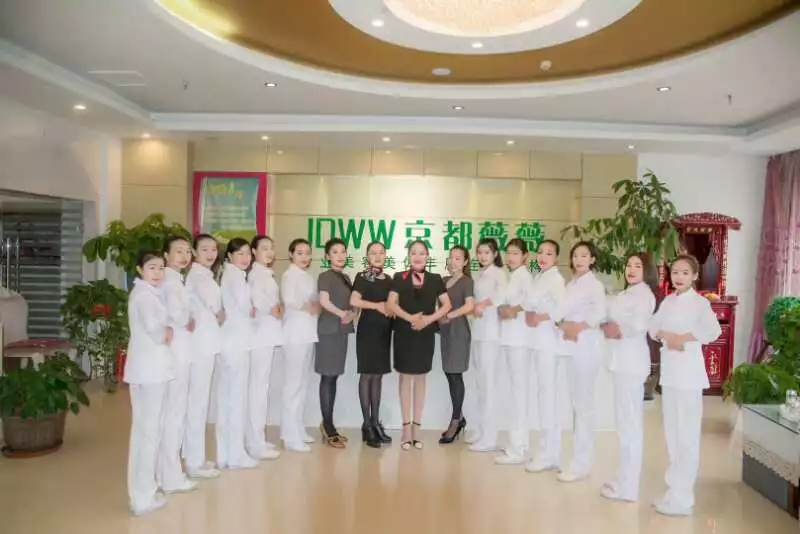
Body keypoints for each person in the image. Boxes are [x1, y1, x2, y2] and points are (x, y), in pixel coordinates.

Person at [648, 254, 721, 516]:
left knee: (687, 435)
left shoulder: (700, 304)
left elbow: (713, 331)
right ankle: (674, 490)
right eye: (675, 272)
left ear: (694, 276)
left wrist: (682, 338)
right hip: (670, 374)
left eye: (684, 273)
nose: (678, 277)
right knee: (672, 432)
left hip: (689, 375)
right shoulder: (668, 300)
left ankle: (684, 497)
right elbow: (652, 327)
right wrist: (665, 335)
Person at [600, 252, 657, 502]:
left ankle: (629, 487)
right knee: (624, 424)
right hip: (621, 362)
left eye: (637, 266)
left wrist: (617, 330)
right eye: (629, 265)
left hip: (631, 364)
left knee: (630, 426)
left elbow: (638, 325)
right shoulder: (628, 293)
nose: (631, 269)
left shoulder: (644, 295)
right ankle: (623, 478)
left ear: (647, 270)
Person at [388, 240, 452, 450]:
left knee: (421, 377)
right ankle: (406, 428)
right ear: (408, 256)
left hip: (425, 334)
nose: (417, 256)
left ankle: (417, 427)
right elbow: (391, 304)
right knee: (405, 377)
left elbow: (447, 305)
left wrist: (428, 319)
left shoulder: (435, 279)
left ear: (427, 256)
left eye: (422, 253)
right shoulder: (399, 277)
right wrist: (411, 318)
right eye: (413, 252)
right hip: (404, 333)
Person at [125, 250, 174, 516]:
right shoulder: (145, 297)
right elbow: (158, 333)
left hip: (148, 371)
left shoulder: (146, 294)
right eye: (152, 267)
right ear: (139, 269)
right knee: (149, 433)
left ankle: (143, 492)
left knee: (145, 431)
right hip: (150, 372)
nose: (157, 272)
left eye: (161, 268)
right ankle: (143, 496)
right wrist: (168, 331)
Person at [556, 241, 607, 482]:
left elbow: (600, 313)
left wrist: (578, 327)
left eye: (584, 256)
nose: (579, 260)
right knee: (577, 404)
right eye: (575, 255)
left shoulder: (594, 285)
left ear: (592, 259)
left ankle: (581, 464)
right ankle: (577, 460)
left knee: (584, 405)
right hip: (570, 345)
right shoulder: (571, 284)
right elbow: (561, 312)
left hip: (586, 345)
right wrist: (563, 325)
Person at [523, 239, 566, 473]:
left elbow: (561, 308)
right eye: (540, 252)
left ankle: (548, 453)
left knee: (547, 397)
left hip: (548, 342)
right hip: (537, 341)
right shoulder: (540, 277)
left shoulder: (556, 279)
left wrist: (539, 317)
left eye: (549, 253)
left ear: (556, 257)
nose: (543, 256)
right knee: (543, 396)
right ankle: (549, 451)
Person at [183, 234, 224, 478]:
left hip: (205, 343)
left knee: (199, 403)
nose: (210, 253)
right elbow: (214, 306)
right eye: (205, 249)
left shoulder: (203, 275)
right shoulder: (199, 276)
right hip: (200, 345)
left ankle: (195, 457)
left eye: (213, 249)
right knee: (197, 404)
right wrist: (219, 312)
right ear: (195, 252)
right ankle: (193, 462)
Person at [159, 236, 197, 493]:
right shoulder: (170, 282)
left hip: (180, 350)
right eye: (178, 251)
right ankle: (171, 476)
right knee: (174, 413)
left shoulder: (176, 280)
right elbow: (178, 316)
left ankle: (168, 472)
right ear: (165, 254)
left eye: (186, 251)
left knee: (173, 413)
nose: (184, 256)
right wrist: (188, 318)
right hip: (176, 353)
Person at [217, 238, 259, 469]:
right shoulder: (235, 277)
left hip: (230, 340)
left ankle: (226, 454)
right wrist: (251, 308)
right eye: (240, 253)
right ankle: (235, 455)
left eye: (247, 254)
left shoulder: (229, 274)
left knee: (228, 399)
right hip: (237, 342)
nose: (245, 258)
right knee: (236, 399)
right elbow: (246, 307)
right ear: (230, 256)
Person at [350, 241, 394, 448]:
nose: (377, 256)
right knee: (367, 375)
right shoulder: (364, 276)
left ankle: (376, 422)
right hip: (368, 331)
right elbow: (354, 300)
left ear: (386, 256)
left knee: (378, 376)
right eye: (373, 253)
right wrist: (376, 306)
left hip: (384, 332)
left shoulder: (390, 279)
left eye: (381, 253)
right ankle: (366, 425)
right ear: (367, 257)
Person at [494, 238, 533, 465]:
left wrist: (514, 309)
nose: (510, 257)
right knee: (515, 393)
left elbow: (531, 300)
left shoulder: (525, 276)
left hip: (520, 340)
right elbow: (501, 303)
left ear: (525, 255)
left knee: (519, 394)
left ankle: (518, 449)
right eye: (508, 252)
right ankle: (518, 443)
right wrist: (503, 309)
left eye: (516, 253)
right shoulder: (512, 276)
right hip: (509, 339)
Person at [280, 238, 321, 452]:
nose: (304, 257)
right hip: (294, 334)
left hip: (307, 333)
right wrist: (309, 306)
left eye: (307, 253)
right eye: (300, 253)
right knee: (293, 386)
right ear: (291, 254)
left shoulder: (307, 276)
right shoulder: (289, 275)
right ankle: (289, 436)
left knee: (302, 384)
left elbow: (315, 304)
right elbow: (289, 300)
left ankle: (298, 428)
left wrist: (314, 306)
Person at [467, 238, 507, 452]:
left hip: (491, 335)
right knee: (481, 384)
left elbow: (502, 296)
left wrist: (483, 304)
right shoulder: (480, 274)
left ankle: (490, 437)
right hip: (479, 333)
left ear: (495, 254)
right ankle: (481, 430)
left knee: (489, 385)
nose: (482, 256)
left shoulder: (499, 273)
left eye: (486, 252)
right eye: (480, 252)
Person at [316, 238, 356, 448]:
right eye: (335, 252)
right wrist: (343, 314)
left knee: (333, 378)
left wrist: (353, 313)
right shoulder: (325, 276)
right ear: (327, 256)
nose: (340, 255)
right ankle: (328, 427)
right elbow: (324, 301)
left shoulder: (346, 277)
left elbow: (353, 302)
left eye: (343, 251)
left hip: (341, 332)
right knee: (328, 377)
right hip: (328, 332)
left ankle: (329, 424)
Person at [246, 235, 282, 460]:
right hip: (260, 336)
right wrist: (274, 309)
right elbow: (259, 302)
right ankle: (255, 443)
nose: (269, 252)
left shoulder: (264, 273)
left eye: (271, 248)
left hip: (266, 336)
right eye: (264, 248)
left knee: (261, 388)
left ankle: (256, 438)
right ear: (254, 251)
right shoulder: (257, 275)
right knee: (257, 390)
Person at [438, 245, 475, 444]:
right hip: (445, 332)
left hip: (459, 332)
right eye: (451, 257)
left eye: (458, 258)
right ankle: (459, 417)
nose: (453, 261)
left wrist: (449, 315)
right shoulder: (443, 281)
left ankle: (455, 420)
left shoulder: (466, 281)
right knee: (450, 374)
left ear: (465, 262)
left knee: (456, 374)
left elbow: (470, 305)